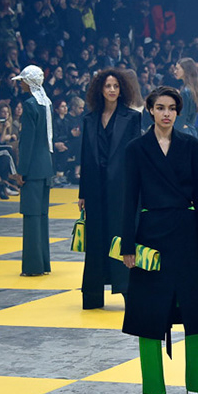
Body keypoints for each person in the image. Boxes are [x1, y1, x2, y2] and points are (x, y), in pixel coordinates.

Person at [119, 87, 198, 394]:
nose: (166, 113)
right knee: (148, 312)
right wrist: (127, 244)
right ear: (149, 110)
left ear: (178, 112)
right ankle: (154, 387)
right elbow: (129, 198)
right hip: (150, 235)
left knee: (196, 309)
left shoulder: (190, 145)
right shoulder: (136, 148)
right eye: (160, 107)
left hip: (187, 234)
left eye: (172, 108)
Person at [78, 68, 142, 309]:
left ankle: (126, 289)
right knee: (95, 239)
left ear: (122, 89)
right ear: (100, 90)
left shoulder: (132, 118)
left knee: (121, 236)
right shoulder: (89, 119)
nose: (112, 90)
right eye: (108, 86)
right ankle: (93, 294)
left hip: (122, 188)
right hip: (95, 188)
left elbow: (136, 156)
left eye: (116, 86)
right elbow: (85, 157)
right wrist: (82, 193)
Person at [13, 66, 52, 277]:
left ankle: (32, 266)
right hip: (46, 167)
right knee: (42, 218)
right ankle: (44, 262)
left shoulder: (29, 105)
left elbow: (27, 142)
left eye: (22, 81)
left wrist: (21, 170)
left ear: (29, 82)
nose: (20, 84)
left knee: (31, 218)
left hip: (32, 169)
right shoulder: (47, 103)